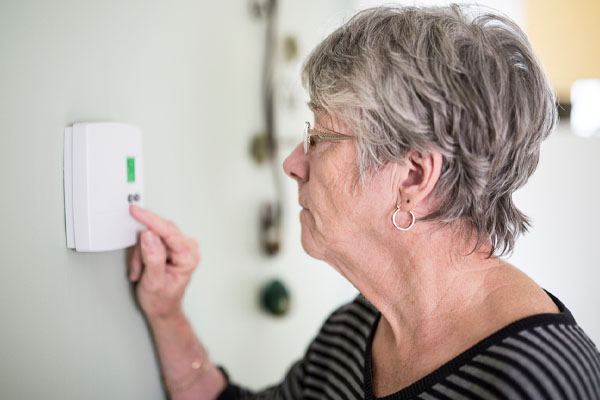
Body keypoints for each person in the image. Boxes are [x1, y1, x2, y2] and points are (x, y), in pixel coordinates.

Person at [127, 5, 600, 400]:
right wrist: (167, 313)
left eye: (319, 137)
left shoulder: (541, 383)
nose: (293, 163)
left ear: (413, 176)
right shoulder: (356, 330)